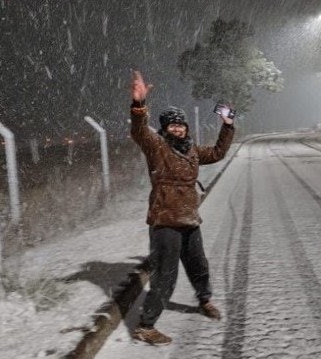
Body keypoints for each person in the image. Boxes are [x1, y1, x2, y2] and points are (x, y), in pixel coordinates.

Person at [128, 71, 235, 345]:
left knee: (199, 266)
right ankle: (146, 326)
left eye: (181, 125)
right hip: (165, 221)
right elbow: (140, 132)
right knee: (165, 276)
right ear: (164, 129)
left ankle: (205, 300)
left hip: (189, 219)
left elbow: (218, 153)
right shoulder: (158, 147)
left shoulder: (192, 151)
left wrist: (227, 125)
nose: (178, 128)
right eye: (172, 125)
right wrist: (139, 105)